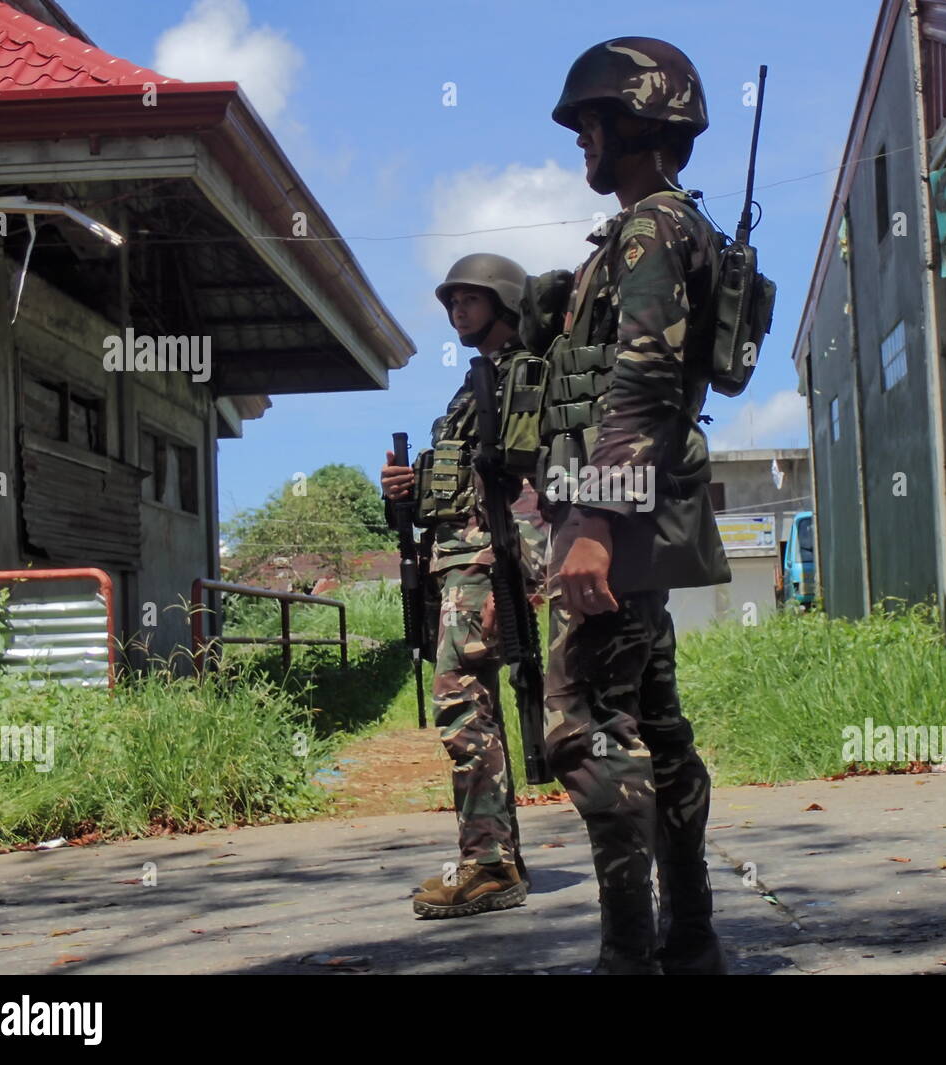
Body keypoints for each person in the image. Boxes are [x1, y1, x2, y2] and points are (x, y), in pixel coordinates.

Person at [539, 37, 730, 973]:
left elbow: (646, 380)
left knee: (586, 727)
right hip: (642, 505)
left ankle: (630, 957)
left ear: (637, 123)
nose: (584, 140)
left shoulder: (652, 227)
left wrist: (591, 524)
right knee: (655, 727)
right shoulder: (665, 225)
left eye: (593, 122)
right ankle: (687, 941)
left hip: (618, 510)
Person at [379, 253, 547, 919]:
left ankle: (489, 864)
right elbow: (455, 481)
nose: (457, 310)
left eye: (471, 299)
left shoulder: (523, 376)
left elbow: (519, 472)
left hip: (487, 560)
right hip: (459, 560)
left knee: (464, 707)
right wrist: (411, 486)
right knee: (469, 706)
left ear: (505, 302)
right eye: (452, 301)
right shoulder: (473, 386)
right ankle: (492, 854)